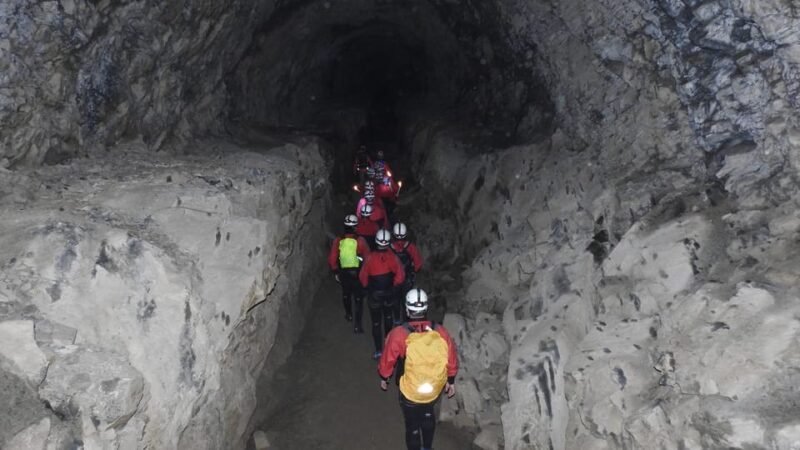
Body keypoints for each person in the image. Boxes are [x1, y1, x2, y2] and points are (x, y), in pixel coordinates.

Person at [378, 289, 458, 450]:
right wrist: (451, 381)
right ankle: (427, 447)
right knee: (428, 412)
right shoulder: (440, 331)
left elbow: (388, 360)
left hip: (411, 391)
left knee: (412, 425)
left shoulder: (399, 334)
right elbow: (451, 358)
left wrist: (384, 378)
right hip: (433, 388)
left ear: (407, 310)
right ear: (426, 309)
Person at [359, 229, 406, 358]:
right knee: (388, 318)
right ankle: (389, 345)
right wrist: (393, 286)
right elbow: (401, 276)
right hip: (388, 294)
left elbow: (363, 277)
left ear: (376, 241)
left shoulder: (369, 258)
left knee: (376, 323)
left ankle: (379, 350)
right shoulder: (393, 257)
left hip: (374, 295)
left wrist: (368, 287)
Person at [328, 214, 371, 333]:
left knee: (346, 294)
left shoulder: (338, 240)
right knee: (358, 299)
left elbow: (332, 258)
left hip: (344, 273)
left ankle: (348, 314)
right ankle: (357, 325)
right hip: (357, 273)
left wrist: (336, 270)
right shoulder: (360, 241)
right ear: (355, 227)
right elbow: (367, 258)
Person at [391, 222, 423, 321]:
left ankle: (396, 320)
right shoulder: (411, 247)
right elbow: (418, 265)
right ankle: (406, 322)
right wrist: (412, 269)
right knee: (406, 300)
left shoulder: (390, 247)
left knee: (395, 300)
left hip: (394, 280)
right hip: (407, 280)